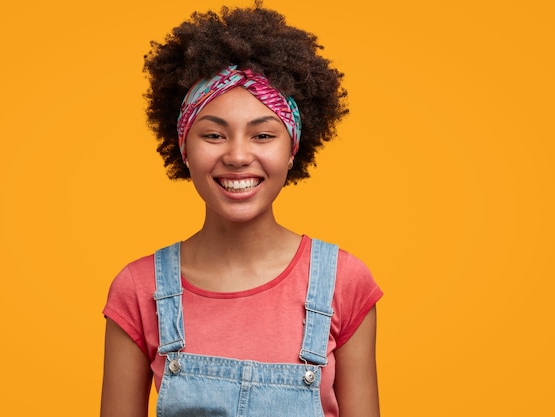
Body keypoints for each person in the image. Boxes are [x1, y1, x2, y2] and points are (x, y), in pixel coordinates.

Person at [101, 3, 383, 416]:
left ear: (292, 150)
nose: (237, 156)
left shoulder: (344, 282)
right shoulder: (138, 290)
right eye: (213, 134)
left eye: (263, 134)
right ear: (184, 149)